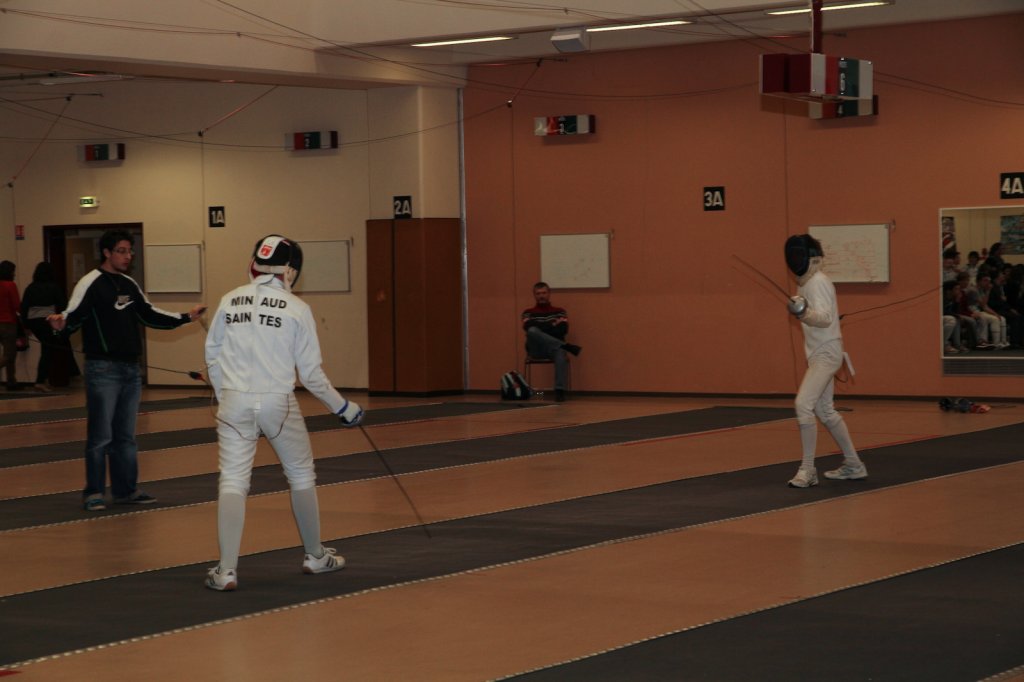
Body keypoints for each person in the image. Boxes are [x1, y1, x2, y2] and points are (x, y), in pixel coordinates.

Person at [203, 234, 364, 592]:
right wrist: (343, 408)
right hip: (278, 402)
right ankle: (315, 555)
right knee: (301, 475)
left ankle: (226, 570)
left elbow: (212, 356)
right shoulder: (297, 309)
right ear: (290, 270)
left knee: (233, 480)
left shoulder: (229, 300)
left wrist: (226, 394)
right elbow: (310, 374)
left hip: (234, 401)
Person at [48, 230, 206, 511]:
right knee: (101, 436)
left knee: (125, 437)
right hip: (102, 369)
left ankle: (126, 491)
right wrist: (61, 324)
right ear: (107, 253)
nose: (127, 256)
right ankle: (94, 493)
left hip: (131, 370)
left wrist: (186, 317)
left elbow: (149, 314)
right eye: (121, 251)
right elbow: (73, 314)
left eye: (129, 251)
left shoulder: (129, 284)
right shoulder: (90, 282)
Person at [783, 235, 867, 488]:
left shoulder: (817, 281)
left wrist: (804, 312)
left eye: (798, 255)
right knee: (825, 411)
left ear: (808, 257)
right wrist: (803, 309)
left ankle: (808, 470)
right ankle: (854, 465)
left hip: (826, 353)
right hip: (821, 352)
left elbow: (825, 318)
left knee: (803, 405)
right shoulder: (807, 283)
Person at [521, 281, 581, 402]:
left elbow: (562, 330)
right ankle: (566, 346)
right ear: (534, 295)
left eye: (544, 293)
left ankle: (559, 391)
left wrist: (540, 327)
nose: (541, 296)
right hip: (536, 349)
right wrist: (552, 325)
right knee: (532, 331)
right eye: (538, 293)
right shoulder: (527, 312)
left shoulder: (560, 311)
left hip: (554, 349)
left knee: (560, 353)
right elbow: (528, 327)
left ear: (549, 294)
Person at [20, 261, 68, 391]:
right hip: (48, 321)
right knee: (47, 350)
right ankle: (40, 381)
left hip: (33, 322)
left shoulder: (30, 288)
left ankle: (43, 379)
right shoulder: (54, 287)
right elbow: (62, 305)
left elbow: (24, 307)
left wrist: (25, 326)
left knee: (47, 349)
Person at [0, 260, 23, 390]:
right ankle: (11, 381)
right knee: (9, 354)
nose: (14, 274)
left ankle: (11, 381)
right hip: (8, 323)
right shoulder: (10, 285)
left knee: (9, 354)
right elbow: (17, 305)